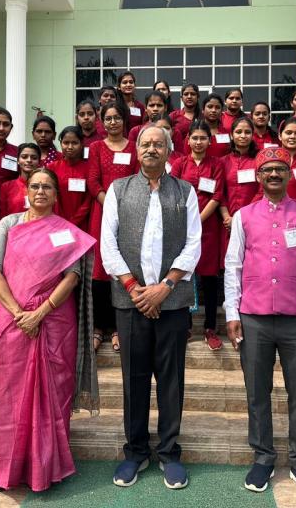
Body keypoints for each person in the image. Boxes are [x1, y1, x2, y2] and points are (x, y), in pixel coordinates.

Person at [224, 147, 296, 497]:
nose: (273, 175)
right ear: (258, 176)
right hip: (253, 318)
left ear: (289, 174)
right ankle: (263, 456)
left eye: (279, 170)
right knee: (257, 392)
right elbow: (233, 267)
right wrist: (231, 313)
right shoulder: (243, 216)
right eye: (267, 170)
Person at [100, 125, 201, 490]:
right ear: (136, 149)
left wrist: (164, 287)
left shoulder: (185, 191)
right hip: (130, 302)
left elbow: (193, 245)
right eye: (145, 143)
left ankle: (170, 453)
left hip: (171, 302)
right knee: (134, 380)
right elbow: (107, 244)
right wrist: (135, 289)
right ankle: (135, 452)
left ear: (170, 150)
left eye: (159, 144)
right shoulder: (119, 189)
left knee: (171, 381)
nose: (151, 149)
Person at [0, 167, 97, 492]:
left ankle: (45, 470)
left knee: (53, 396)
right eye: (35, 185)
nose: (41, 191)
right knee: (9, 397)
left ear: (56, 195)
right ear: (26, 191)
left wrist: (40, 313)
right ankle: (6, 472)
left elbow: (72, 277)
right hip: (13, 320)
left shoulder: (66, 230)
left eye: (48, 186)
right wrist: (21, 312)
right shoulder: (9, 224)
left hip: (54, 324)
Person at [87, 103, 139, 353]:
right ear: (102, 121)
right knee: (100, 271)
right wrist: (110, 205)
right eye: (108, 118)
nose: (112, 122)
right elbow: (92, 181)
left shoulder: (134, 147)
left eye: (117, 118)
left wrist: (124, 207)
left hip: (129, 214)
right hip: (102, 212)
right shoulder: (96, 147)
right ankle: (99, 327)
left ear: (124, 120)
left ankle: (119, 326)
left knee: (123, 266)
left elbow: (139, 178)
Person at [172, 121, 225, 351]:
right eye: (195, 138)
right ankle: (185, 326)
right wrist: (185, 223)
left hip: (208, 228)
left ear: (209, 141)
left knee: (209, 279)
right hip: (181, 227)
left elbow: (217, 196)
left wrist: (197, 221)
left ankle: (210, 327)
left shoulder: (217, 165)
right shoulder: (179, 164)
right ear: (188, 140)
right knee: (185, 275)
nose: (199, 142)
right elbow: (170, 191)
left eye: (203, 138)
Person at [220, 116, 261, 236]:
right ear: (231, 135)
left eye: (247, 132)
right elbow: (219, 193)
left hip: (254, 218)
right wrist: (227, 217)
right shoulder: (222, 162)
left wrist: (243, 217)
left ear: (253, 135)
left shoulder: (259, 161)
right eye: (238, 132)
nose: (243, 136)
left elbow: (261, 191)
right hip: (227, 222)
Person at [52, 126, 92, 231]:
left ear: (82, 144)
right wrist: (60, 220)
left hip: (82, 224)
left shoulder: (89, 168)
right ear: (61, 144)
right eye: (66, 143)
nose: (70, 147)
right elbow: (51, 197)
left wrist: (74, 221)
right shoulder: (52, 168)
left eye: (74, 143)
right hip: (56, 222)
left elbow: (89, 199)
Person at [0, 143, 41, 221]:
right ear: (18, 160)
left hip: (39, 230)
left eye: (34, 158)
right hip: (13, 230)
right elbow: (2, 216)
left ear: (39, 162)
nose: (29, 160)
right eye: (24, 157)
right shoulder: (6, 187)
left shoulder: (45, 186)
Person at [187, 93, 231, 159]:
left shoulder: (226, 133)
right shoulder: (193, 132)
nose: (213, 110)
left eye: (217, 107)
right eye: (210, 107)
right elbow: (186, 155)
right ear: (203, 110)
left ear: (222, 111)